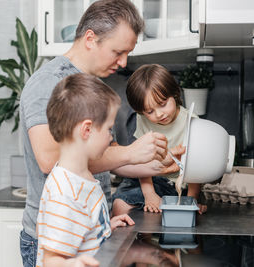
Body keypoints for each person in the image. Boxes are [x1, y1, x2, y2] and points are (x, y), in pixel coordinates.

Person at [19, 1, 183, 266]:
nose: (124, 61)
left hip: (87, 232)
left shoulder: (90, 86)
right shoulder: (49, 82)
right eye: (118, 51)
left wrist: (153, 164)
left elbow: (106, 157)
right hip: (57, 240)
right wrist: (131, 152)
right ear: (90, 38)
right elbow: (50, 160)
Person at [36, 73, 135, 267]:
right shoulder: (65, 193)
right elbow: (51, 261)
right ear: (87, 130)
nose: (110, 137)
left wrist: (104, 228)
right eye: (108, 129)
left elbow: (80, 230)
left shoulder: (82, 176)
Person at [112, 64, 208, 216]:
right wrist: (149, 194)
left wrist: (192, 200)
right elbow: (141, 160)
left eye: (163, 104)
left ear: (174, 94)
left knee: (162, 216)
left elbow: (195, 169)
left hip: (179, 186)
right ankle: (141, 240)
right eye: (149, 111)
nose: (158, 114)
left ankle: (148, 238)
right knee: (120, 205)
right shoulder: (142, 119)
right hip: (147, 178)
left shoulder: (192, 122)